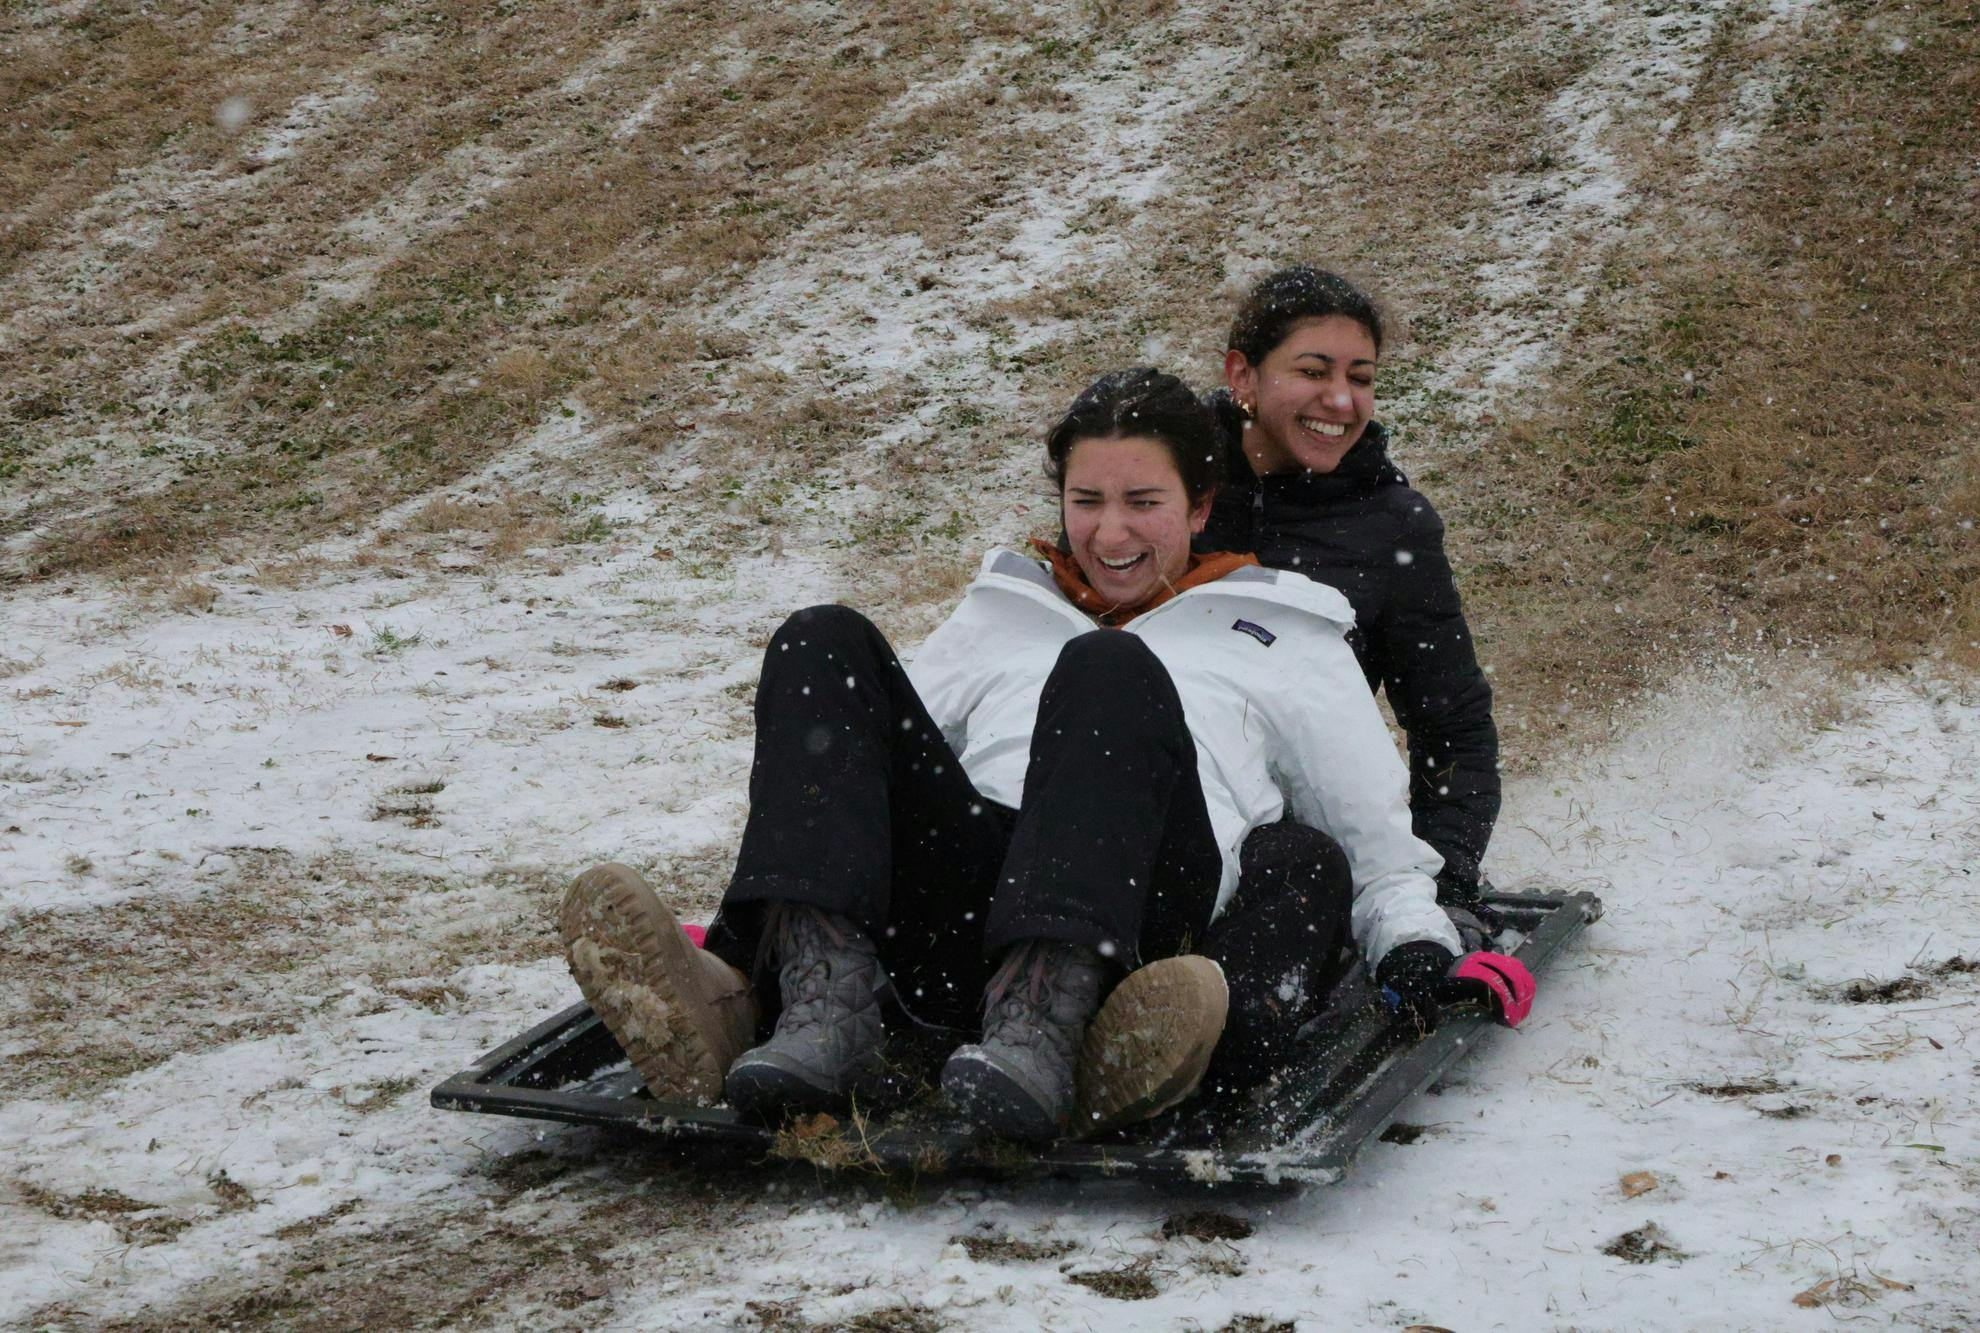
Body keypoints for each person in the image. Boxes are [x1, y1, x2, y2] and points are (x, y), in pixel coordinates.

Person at [558, 367, 1529, 1145]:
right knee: (823, 640)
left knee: (1106, 664)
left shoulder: (1278, 631)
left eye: (1142, 501)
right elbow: (856, 778)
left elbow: (1373, 845)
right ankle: (811, 1003)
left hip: (1148, 923)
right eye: (1086, 499)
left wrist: (1418, 945)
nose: (1109, 532)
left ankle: (1059, 1029)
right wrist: (753, 917)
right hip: (971, 915)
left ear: (1198, 509)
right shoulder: (1002, 613)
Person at [1199, 266, 1502, 912]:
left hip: (1292, 858)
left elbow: (1453, 730)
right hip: (1160, 808)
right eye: (1314, 371)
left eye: (1359, 378)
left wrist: (1436, 887)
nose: (1341, 400)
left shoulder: (1391, 527)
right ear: (1242, 376)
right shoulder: (1168, 485)